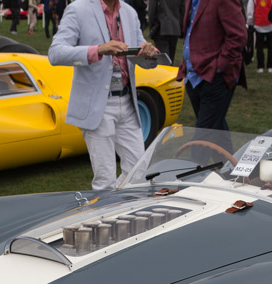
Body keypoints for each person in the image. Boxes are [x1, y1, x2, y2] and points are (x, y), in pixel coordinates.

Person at [48, 0, 159, 190]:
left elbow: (142, 55)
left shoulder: (130, 12)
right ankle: (106, 213)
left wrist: (149, 53)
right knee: (105, 180)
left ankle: (119, 209)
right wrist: (98, 50)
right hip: (98, 104)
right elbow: (55, 53)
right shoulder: (78, 9)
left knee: (138, 173)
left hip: (128, 101)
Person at [179, 0, 248, 130]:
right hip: (193, 76)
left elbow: (238, 36)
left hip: (214, 77)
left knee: (203, 137)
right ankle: (226, 151)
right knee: (217, 133)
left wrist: (220, 66)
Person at [248, 0, 272, 73]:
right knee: (271, 47)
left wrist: (250, 23)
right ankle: (270, 66)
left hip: (259, 24)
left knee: (259, 47)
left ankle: (260, 67)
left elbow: (250, 11)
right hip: (271, 24)